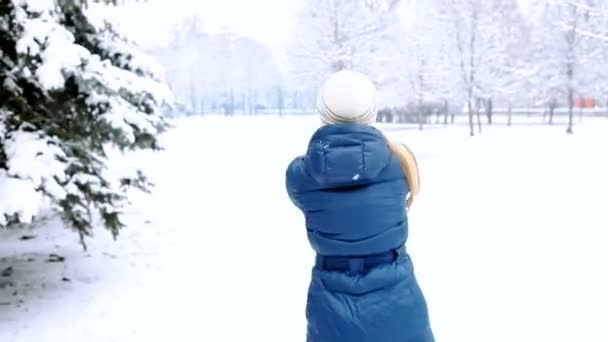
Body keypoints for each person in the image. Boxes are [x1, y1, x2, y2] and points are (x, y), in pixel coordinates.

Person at [285, 70, 434, 342]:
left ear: (322, 112)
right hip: (399, 299)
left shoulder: (300, 176)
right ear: (373, 112)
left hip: (332, 308)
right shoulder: (401, 164)